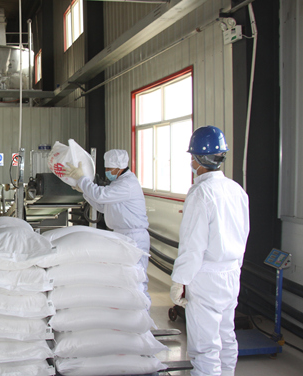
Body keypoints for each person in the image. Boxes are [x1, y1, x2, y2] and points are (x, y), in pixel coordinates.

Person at [170, 126, 250, 376]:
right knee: (226, 336)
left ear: (198, 158)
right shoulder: (236, 189)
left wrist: (179, 281)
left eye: (192, 157)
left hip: (206, 278)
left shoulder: (200, 193)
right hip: (231, 274)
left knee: (205, 347)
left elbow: (193, 247)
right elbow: (244, 232)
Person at [62, 149, 150, 300]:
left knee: (137, 277)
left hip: (134, 236)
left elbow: (101, 195)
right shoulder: (118, 184)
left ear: (119, 168)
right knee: (122, 276)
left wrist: (83, 180)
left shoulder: (127, 184)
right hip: (121, 234)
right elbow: (103, 206)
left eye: (110, 169)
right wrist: (84, 191)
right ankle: (126, 307)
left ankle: (143, 309)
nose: (107, 172)